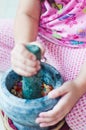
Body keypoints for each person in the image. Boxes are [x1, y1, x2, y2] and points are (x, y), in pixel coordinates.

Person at [0, 0, 86, 129]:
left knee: (80, 115)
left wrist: (79, 85)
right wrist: (23, 46)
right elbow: (27, 13)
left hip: (79, 49)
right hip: (40, 35)